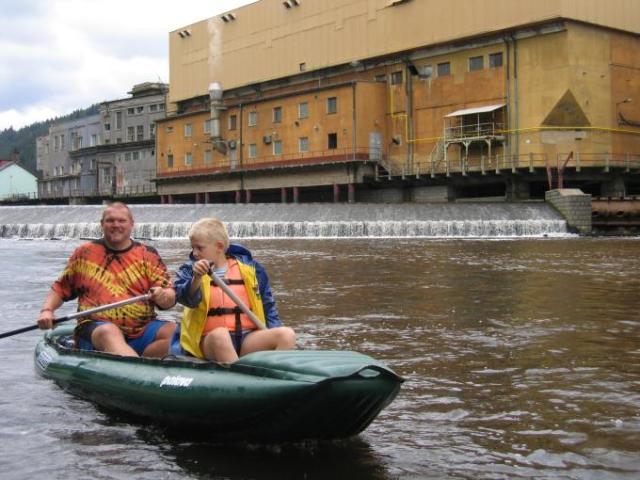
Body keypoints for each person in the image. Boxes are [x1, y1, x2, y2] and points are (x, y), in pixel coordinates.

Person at [37, 202, 176, 357]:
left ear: (131, 225)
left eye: (121, 221)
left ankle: (137, 361)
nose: (115, 225)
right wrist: (47, 311)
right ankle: (131, 365)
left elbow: (169, 298)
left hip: (142, 329)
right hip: (96, 329)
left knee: (174, 332)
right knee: (109, 332)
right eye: (110, 221)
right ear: (102, 224)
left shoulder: (148, 254)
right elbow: (60, 289)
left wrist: (164, 296)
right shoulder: (84, 253)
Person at [173, 218, 295, 362]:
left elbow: (268, 306)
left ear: (219, 247)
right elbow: (186, 299)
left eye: (199, 248)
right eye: (193, 247)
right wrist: (196, 278)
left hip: (247, 339)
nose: (194, 253)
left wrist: (272, 332)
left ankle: (274, 378)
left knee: (287, 335)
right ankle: (241, 380)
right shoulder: (189, 271)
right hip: (210, 342)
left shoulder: (250, 269)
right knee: (220, 335)